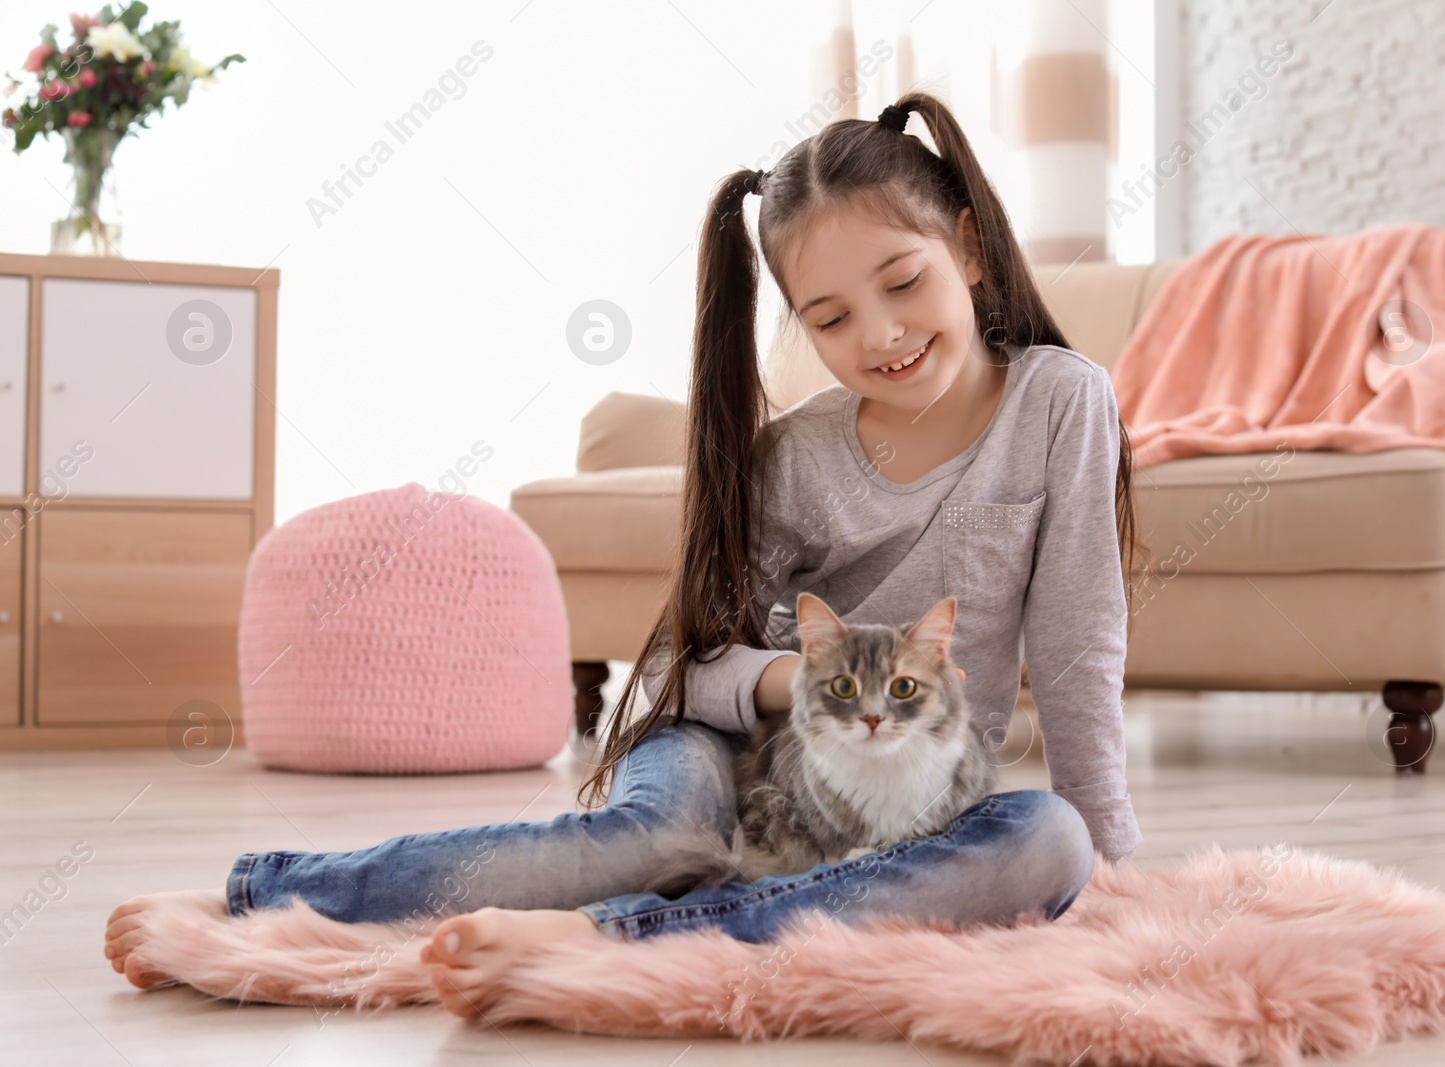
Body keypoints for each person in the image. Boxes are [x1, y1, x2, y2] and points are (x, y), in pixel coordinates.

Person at [104, 91, 1146, 1020]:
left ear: (967, 247)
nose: (880, 335)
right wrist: (793, 679)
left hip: (899, 791)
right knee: (657, 840)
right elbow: (678, 668)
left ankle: (618, 931)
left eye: (903, 283)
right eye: (829, 317)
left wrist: (1115, 872)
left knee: (1045, 839)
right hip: (723, 748)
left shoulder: (1061, 400)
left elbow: (1075, 645)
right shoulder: (794, 457)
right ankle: (259, 893)